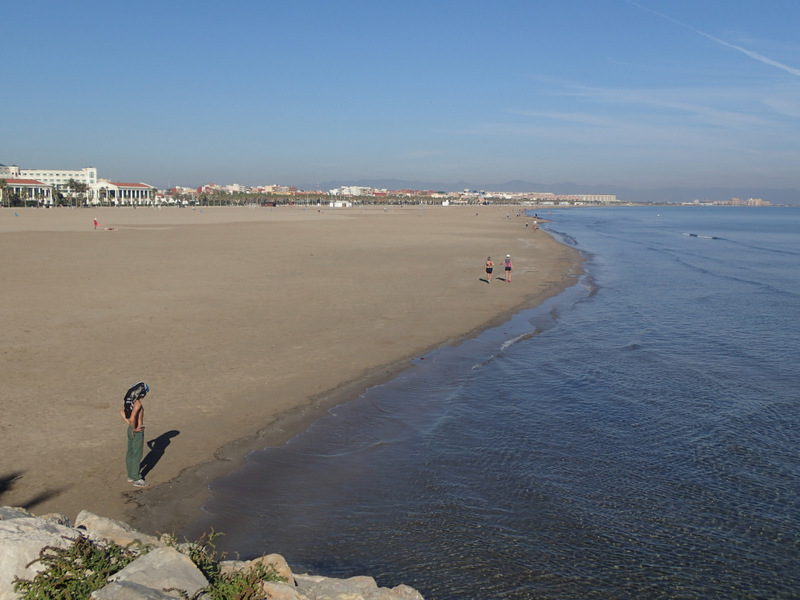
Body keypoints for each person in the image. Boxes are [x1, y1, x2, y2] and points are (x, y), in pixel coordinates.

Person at [121, 381, 150, 487]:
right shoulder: (137, 403)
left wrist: (130, 425)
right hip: (137, 430)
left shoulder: (130, 401)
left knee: (130, 452)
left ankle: (130, 475)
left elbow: (121, 412)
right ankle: (136, 478)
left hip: (130, 428)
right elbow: (133, 418)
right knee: (137, 454)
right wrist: (135, 428)